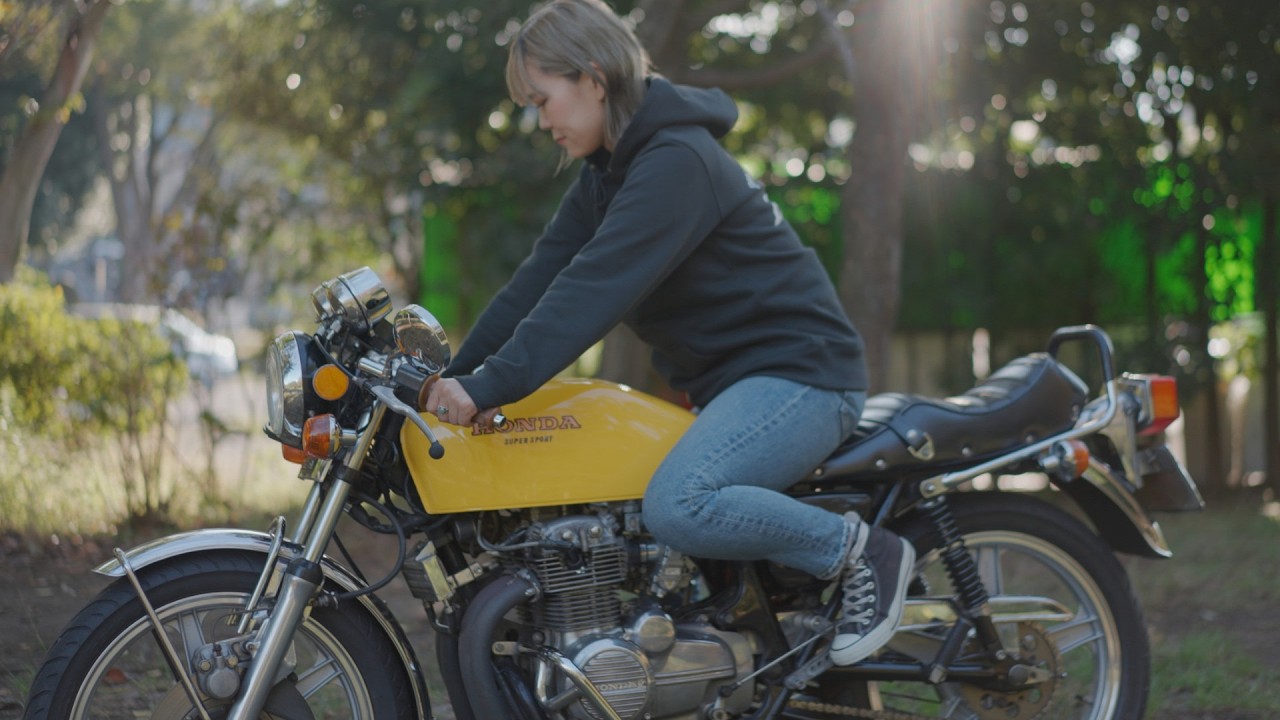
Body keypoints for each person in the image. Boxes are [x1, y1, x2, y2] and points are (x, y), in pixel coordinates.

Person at [425, 0, 914, 667]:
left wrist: (490, 385)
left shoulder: (675, 162)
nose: (541, 121)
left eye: (543, 100)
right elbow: (537, 281)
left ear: (594, 80)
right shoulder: (610, 173)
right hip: (741, 387)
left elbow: (589, 292)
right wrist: (454, 375)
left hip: (803, 377)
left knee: (680, 503)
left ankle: (861, 553)